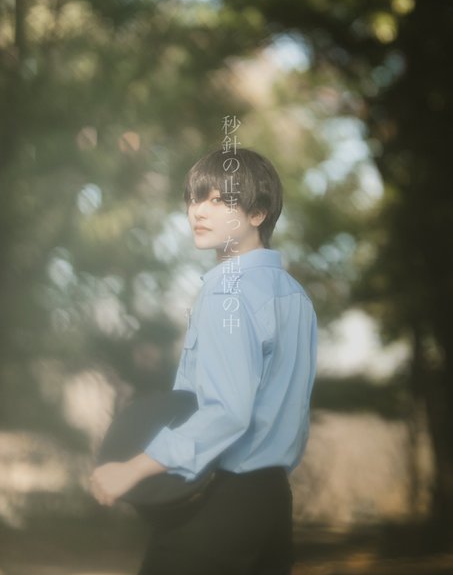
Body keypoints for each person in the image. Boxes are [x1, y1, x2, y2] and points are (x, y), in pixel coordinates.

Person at [91, 147, 317, 575]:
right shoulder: (295, 296)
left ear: (258, 213)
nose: (199, 211)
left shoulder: (227, 292)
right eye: (195, 198)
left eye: (220, 200)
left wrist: (133, 469)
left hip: (220, 500)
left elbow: (226, 412)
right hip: (273, 503)